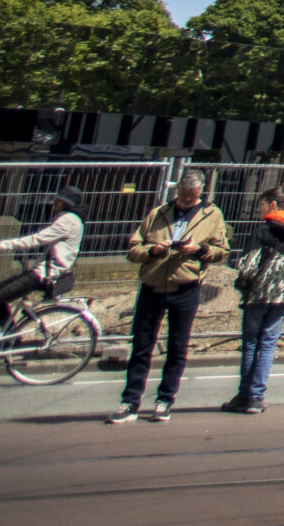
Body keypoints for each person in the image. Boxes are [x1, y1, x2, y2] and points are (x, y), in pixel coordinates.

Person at [114, 170, 228, 423]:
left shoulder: (212, 215)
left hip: (185, 287)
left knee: (177, 348)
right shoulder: (158, 213)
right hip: (152, 286)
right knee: (141, 346)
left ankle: (165, 400)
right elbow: (134, 249)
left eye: (193, 195)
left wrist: (199, 249)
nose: (188, 199)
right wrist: (153, 250)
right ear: (177, 191)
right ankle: (130, 401)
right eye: (184, 195)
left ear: (201, 192)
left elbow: (222, 251)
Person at [224, 188, 284, 414]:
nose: (259, 210)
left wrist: (243, 283)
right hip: (283, 297)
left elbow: (248, 267)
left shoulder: (261, 231)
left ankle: (244, 396)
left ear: (273, 205)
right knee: (268, 345)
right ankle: (257, 397)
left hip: (257, 296)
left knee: (250, 345)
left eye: (262, 205)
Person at [0, 188, 82, 328]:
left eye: (58, 200)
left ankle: (11, 339)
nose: (54, 203)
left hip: (42, 275)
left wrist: (0, 246)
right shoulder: (70, 219)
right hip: (43, 272)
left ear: (66, 203)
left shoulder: (67, 221)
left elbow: (36, 240)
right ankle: (10, 339)